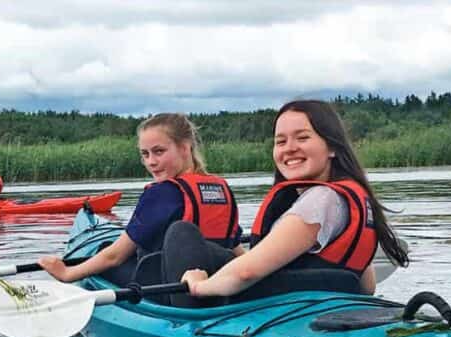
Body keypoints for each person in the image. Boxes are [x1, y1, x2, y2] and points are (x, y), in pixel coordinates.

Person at [173, 100, 408, 304]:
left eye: (303, 137)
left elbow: (246, 273)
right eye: (281, 141)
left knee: (181, 233)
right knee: (212, 251)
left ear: (333, 147)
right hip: (315, 308)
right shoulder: (349, 199)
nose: (290, 149)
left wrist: (198, 286)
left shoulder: (319, 201)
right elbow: (366, 286)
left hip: (272, 312)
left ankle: (177, 324)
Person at [38, 113, 239, 285]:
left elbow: (115, 257)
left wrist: (67, 273)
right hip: (213, 280)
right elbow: (235, 248)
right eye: (145, 154)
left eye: (159, 151)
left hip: (165, 287)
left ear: (185, 148)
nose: (151, 162)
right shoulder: (220, 189)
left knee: (103, 250)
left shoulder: (162, 193)